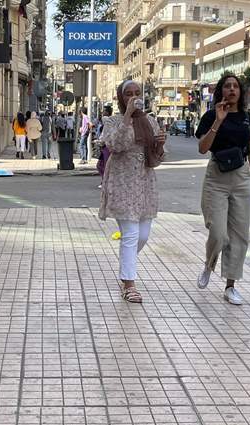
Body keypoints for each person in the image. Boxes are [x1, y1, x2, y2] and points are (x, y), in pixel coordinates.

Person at [194, 74, 250, 305]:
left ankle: (230, 286)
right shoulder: (210, 116)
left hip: (241, 176)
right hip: (216, 176)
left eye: (235, 86)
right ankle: (209, 265)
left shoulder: (248, 119)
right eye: (227, 86)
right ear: (221, 91)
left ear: (240, 91)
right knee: (218, 233)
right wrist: (218, 121)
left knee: (239, 235)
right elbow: (202, 148)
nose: (231, 89)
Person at [99, 80, 166, 303]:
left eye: (137, 93)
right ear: (121, 97)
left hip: (145, 182)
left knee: (143, 235)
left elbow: (159, 158)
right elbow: (115, 145)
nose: (134, 97)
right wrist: (127, 115)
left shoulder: (150, 121)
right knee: (130, 234)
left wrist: (159, 145)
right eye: (128, 94)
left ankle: (125, 266)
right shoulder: (112, 121)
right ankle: (129, 284)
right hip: (122, 181)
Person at [96, 105, 113, 188]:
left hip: (107, 146)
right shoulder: (104, 124)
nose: (103, 113)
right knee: (100, 165)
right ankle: (105, 181)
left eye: (104, 111)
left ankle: (105, 182)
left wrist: (100, 141)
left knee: (105, 165)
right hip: (103, 146)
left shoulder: (108, 121)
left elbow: (106, 135)